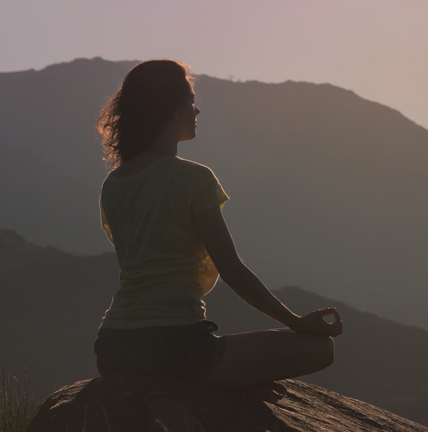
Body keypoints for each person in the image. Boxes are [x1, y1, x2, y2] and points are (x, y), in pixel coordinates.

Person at [93, 59, 343, 389]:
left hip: (113, 347)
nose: (197, 111)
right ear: (172, 109)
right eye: (191, 101)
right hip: (176, 345)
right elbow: (232, 269)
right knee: (320, 349)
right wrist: (295, 321)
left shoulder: (114, 183)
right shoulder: (193, 178)